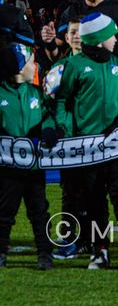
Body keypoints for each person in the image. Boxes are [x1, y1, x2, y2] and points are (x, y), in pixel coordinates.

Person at [41, 0, 118, 251]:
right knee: (77, 173)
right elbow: (59, 59)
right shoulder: (70, 11)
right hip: (78, 104)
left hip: (113, 98)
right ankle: (82, 236)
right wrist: (51, 43)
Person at [45, 13, 118, 272]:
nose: (115, 39)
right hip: (87, 149)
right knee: (95, 200)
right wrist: (68, 130)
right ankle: (100, 251)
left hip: (114, 145)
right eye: (111, 35)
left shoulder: (116, 63)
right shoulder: (74, 65)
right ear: (100, 39)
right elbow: (63, 101)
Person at [0, 43, 52, 270]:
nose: (35, 65)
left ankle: (45, 254)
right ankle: (1, 252)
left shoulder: (35, 93)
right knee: (4, 212)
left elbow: (48, 116)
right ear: (19, 68)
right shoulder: (1, 93)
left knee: (40, 211)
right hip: (7, 169)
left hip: (33, 168)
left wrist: (49, 129)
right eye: (31, 61)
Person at [44, 17, 85, 260]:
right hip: (69, 140)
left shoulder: (98, 64)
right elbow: (50, 103)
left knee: (92, 191)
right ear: (67, 37)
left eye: (81, 31)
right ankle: (70, 238)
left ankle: (89, 240)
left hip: (93, 139)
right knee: (69, 189)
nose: (77, 35)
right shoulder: (59, 68)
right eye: (72, 32)